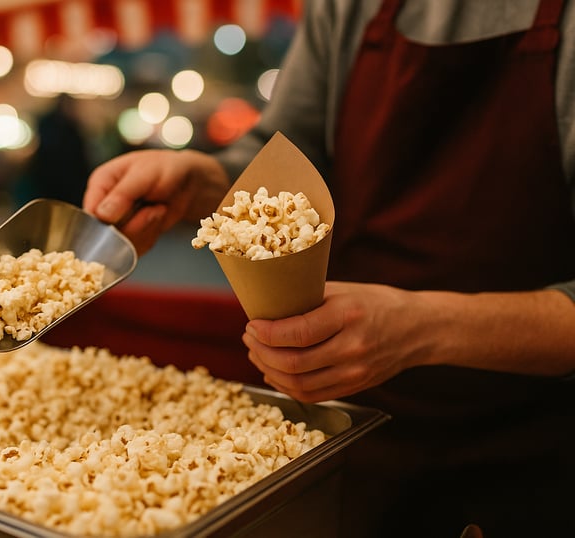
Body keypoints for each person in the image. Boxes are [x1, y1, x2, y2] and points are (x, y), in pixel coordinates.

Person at [82, 1, 575, 537]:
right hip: (348, 425)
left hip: (535, 440)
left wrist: (424, 327)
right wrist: (205, 179)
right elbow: (293, 152)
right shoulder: (345, 6)